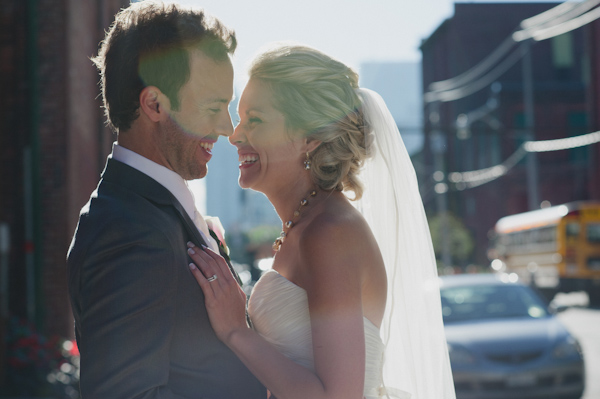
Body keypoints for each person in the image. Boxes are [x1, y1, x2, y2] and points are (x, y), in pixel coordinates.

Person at [186, 44, 456, 399]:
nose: (235, 136)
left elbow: (336, 396)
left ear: (310, 137)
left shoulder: (331, 234)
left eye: (255, 120)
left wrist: (237, 331)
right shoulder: (306, 226)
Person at [66, 2, 266, 398]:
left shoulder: (146, 211)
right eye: (212, 106)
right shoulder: (130, 232)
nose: (227, 128)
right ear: (154, 104)